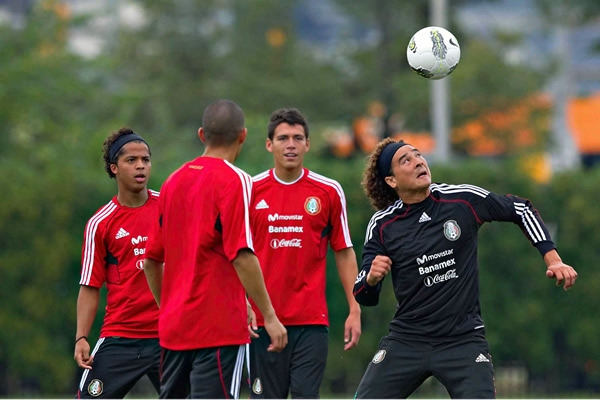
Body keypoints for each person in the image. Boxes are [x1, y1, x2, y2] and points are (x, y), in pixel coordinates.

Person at [352, 138, 578, 399]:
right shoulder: (382, 225)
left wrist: (553, 258)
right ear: (392, 181)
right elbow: (363, 295)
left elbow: (521, 209)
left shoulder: (461, 201)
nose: (418, 162)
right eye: (406, 160)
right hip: (407, 340)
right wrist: (370, 279)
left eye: (418, 155)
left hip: (462, 340)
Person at [143, 99, 288, 399]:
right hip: (218, 331)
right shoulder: (237, 180)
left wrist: (167, 308)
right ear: (243, 136)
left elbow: (151, 261)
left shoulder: (171, 182)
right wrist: (270, 316)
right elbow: (241, 254)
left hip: (174, 330)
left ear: (201, 135)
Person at [247, 107, 362, 399]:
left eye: (298, 138)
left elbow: (344, 251)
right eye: (283, 138)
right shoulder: (249, 191)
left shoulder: (328, 191)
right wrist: (242, 303)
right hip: (261, 322)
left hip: (311, 322)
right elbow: (235, 256)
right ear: (269, 144)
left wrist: (354, 308)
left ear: (308, 144)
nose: (291, 145)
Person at [74, 127, 160, 398]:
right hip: (120, 335)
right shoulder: (100, 223)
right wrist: (81, 337)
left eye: (145, 159)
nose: (140, 166)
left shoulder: (169, 206)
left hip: (168, 335)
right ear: (114, 168)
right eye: (131, 160)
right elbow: (90, 285)